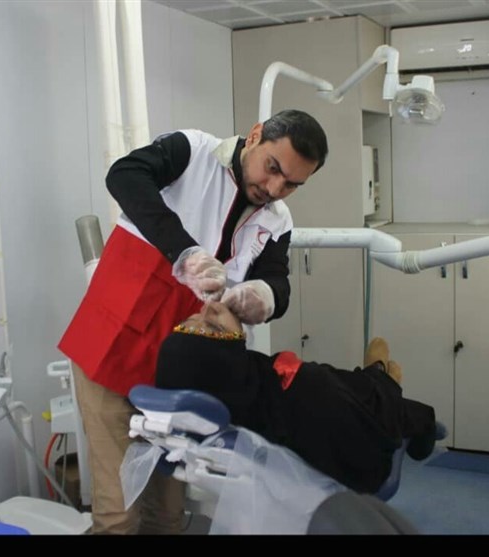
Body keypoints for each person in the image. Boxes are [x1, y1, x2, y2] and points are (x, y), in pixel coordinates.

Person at [58, 110, 329, 534]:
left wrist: (264, 296)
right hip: (112, 348)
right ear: (255, 136)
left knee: (168, 516)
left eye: (292, 184)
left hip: (178, 376)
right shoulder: (193, 152)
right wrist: (184, 250)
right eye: (273, 168)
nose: (275, 188)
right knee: (118, 516)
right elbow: (124, 176)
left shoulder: (277, 220)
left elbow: (279, 282)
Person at [154, 302, 438, 495]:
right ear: (227, 363)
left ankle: (375, 374)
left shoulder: (248, 391)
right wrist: (388, 390)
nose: (209, 307)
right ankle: (382, 375)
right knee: (374, 393)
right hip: (352, 405)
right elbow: (376, 433)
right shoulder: (307, 394)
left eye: (191, 319)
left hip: (316, 393)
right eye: (214, 328)